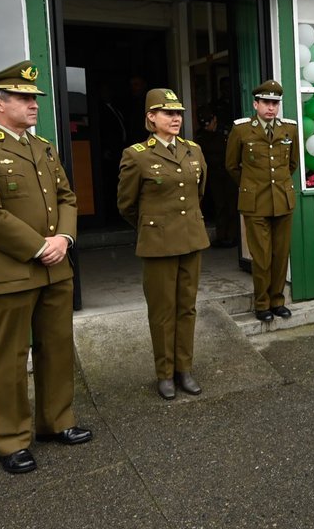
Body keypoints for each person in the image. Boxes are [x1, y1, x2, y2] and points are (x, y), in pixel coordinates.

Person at [0, 60, 92, 473]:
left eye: (34, 99)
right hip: (11, 269)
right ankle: (11, 440)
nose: (34, 105)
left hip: (55, 266)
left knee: (57, 347)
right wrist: (37, 247)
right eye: (25, 98)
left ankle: (56, 421)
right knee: (9, 357)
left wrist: (63, 239)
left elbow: (68, 198)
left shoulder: (42, 147)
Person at [117, 88, 210, 400]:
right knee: (162, 311)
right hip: (157, 244)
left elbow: (199, 193)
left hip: (191, 239)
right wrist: (153, 226)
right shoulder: (136, 155)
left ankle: (185, 369)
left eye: (178, 113)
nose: (175, 118)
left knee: (187, 307)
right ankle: (165, 372)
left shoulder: (193, 150)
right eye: (168, 113)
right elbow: (127, 205)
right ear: (150, 118)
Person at [226, 80, 299, 323]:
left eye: (275, 103)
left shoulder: (290, 129)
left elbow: (292, 165)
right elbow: (232, 166)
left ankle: (278, 301)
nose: (271, 108)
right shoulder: (241, 130)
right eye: (266, 103)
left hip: (282, 200)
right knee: (262, 256)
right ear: (255, 104)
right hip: (255, 203)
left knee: (280, 254)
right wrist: (252, 186)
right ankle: (262, 304)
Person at [195, 111, 239, 247]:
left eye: (210, 122)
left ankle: (232, 236)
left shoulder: (225, 132)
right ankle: (222, 236)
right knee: (220, 206)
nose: (209, 126)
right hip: (214, 174)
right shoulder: (202, 137)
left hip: (228, 174)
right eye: (206, 124)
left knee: (232, 205)